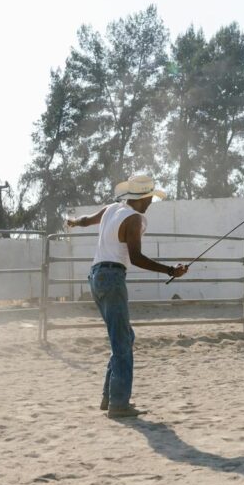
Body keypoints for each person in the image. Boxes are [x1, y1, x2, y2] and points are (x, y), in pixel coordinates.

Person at [66, 175, 188, 418]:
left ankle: (109, 397)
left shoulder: (113, 209)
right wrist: (170, 270)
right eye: (151, 197)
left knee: (123, 337)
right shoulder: (134, 220)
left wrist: (71, 222)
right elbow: (136, 258)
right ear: (144, 198)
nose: (152, 201)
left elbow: (87, 220)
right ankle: (119, 403)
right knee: (122, 341)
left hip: (96, 276)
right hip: (112, 277)